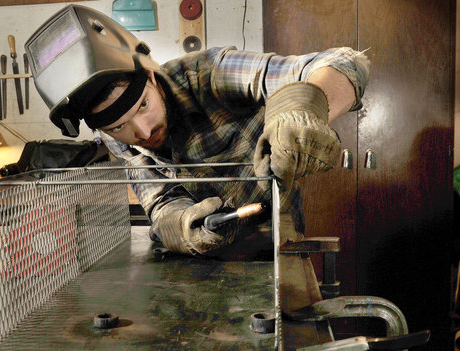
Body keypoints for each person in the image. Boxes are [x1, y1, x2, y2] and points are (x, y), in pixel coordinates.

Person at [26, 5, 369, 259]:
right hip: (202, 267)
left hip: (277, 249)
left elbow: (342, 63)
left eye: (143, 106)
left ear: (151, 75)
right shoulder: (118, 141)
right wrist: (182, 225)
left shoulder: (210, 73)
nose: (142, 132)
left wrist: (302, 109)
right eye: (118, 126)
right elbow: (160, 199)